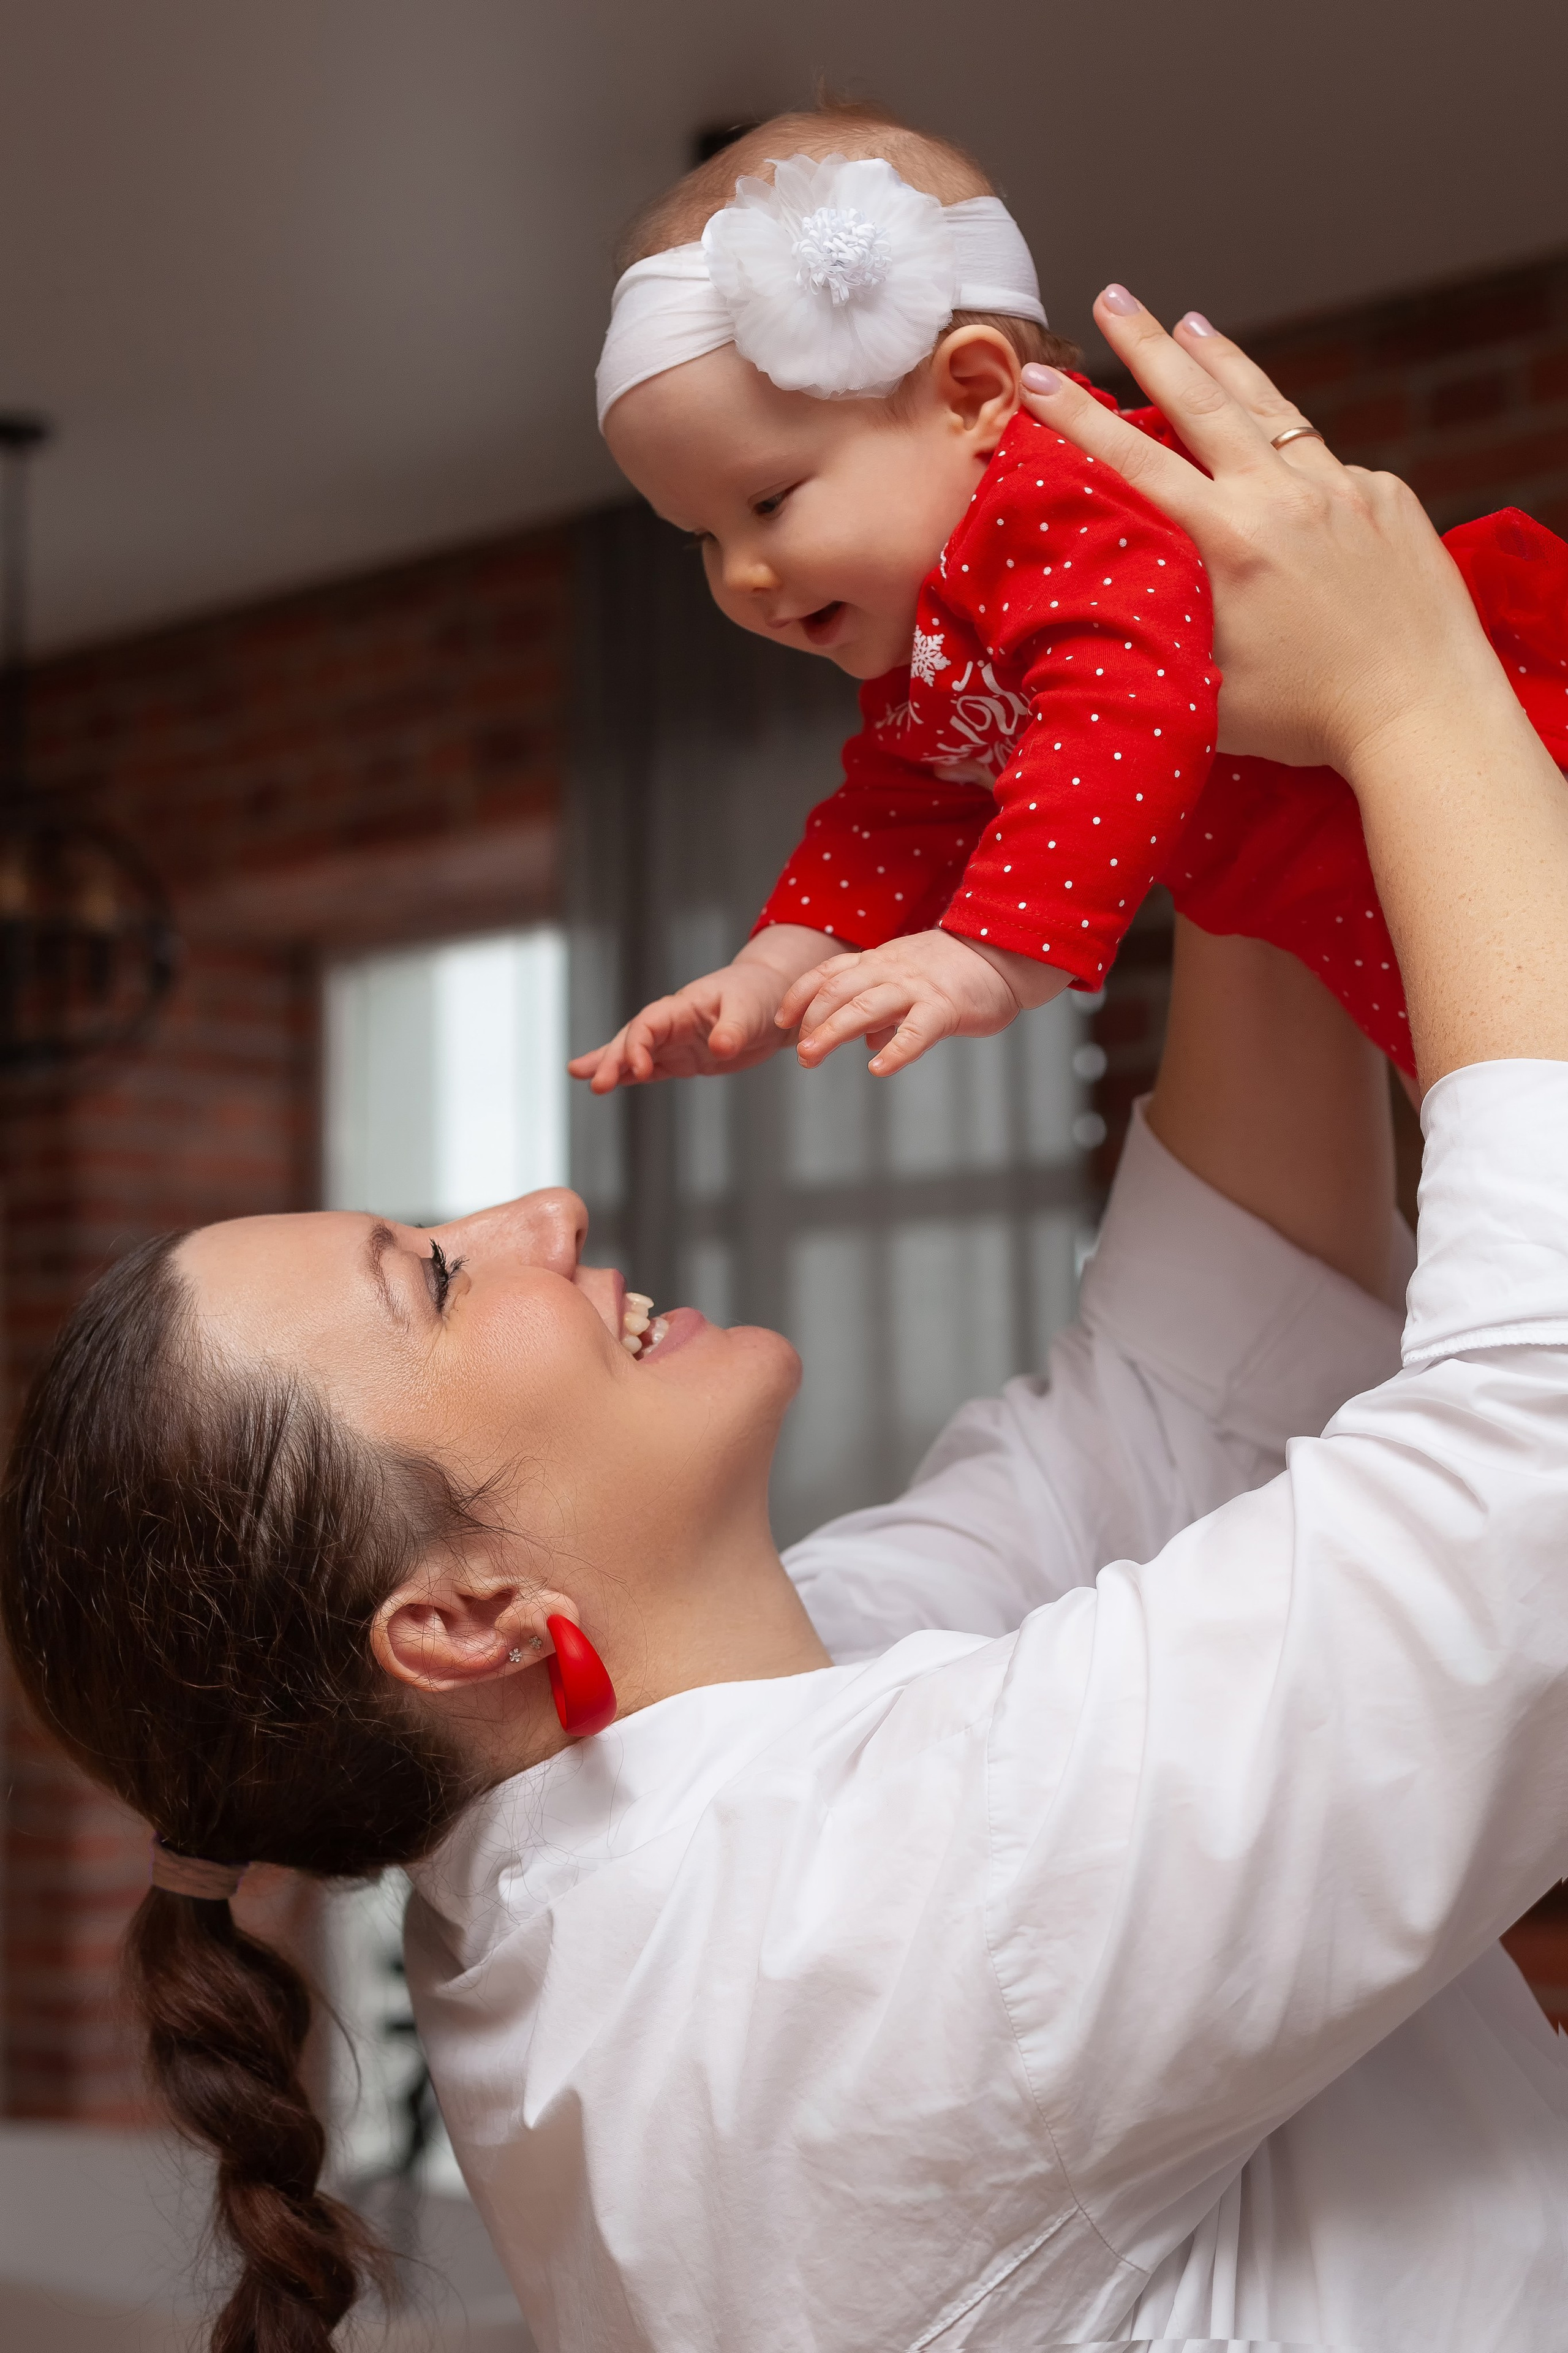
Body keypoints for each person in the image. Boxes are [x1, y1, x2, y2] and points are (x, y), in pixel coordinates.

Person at [5, 298, 1568, 2353]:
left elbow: (1188, 1391)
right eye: (438, 1275)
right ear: (457, 1620)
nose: (541, 1209)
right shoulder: (851, 1933)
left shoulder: (704, 1747)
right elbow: (1532, 1466)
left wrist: (1191, 724)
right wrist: (1419, 705)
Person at [573, 102, 1568, 1094]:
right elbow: (903, 804)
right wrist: (771, 974)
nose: (742, 572)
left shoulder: (1054, 499)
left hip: (1506, 792)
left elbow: (1125, 695)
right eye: (704, 536)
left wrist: (992, 953)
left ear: (972, 394)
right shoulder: (946, 626)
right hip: (1408, 902)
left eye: (768, 501)